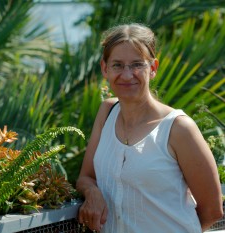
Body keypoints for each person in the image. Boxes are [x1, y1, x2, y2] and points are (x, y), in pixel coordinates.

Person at [76, 23, 223, 233]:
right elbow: (85, 177)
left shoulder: (178, 128)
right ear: (104, 68)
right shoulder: (107, 112)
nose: (127, 75)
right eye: (117, 65)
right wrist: (92, 193)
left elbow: (213, 211)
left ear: (152, 68)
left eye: (137, 65)